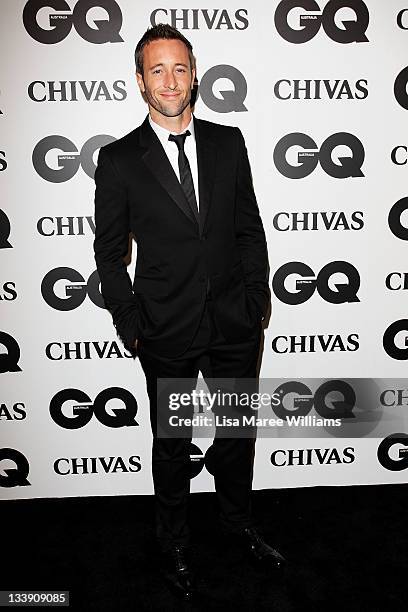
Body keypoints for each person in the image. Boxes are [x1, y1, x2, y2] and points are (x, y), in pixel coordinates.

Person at [93, 23, 285, 600]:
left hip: (232, 323)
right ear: (140, 82)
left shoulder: (229, 143)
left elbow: (249, 229)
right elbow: (108, 252)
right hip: (166, 331)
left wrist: (256, 302)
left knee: (234, 435)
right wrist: (132, 324)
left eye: (180, 68)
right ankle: (173, 544)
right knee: (172, 446)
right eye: (157, 70)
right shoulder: (121, 159)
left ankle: (236, 524)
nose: (170, 80)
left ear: (194, 74)